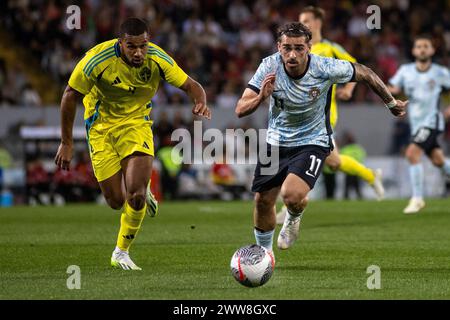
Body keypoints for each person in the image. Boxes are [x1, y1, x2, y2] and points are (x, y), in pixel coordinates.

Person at [235, 22, 407, 253]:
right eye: (287, 48)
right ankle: (264, 255)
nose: (292, 54)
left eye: (299, 48)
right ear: (279, 47)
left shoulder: (325, 67)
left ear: (309, 47)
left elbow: (365, 73)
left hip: (312, 141)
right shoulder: (268, 66)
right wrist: (260, 98)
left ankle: (294, 215)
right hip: (275, 143)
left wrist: (390, 103)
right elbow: (240, 108)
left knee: (291, 195)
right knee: (263, 200)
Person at [55, 18, 211, 270]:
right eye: (132, 46)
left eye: (143, 46)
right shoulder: (97, 60)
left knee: (135, 196)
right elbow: (70, 96)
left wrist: (200, 101)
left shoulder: (158, 58)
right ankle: (138, 185)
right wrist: (67, 142)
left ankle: (121, 251)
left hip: (137, 123)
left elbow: (192, 85)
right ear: (121, 43)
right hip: (101, 128)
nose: (139, 52)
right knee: (116, 201)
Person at [276, 6, 385, 223]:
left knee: (297, 153)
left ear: (318, 22)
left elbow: (356, 68)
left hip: (323, 114)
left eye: (306, 19)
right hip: (297, 112)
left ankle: (288, 206)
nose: (303, 23)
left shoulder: (330, 48)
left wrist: (349, 88)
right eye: (300, 19)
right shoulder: (292, 49)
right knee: (333, 162)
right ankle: (371, 175)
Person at [388, 36, 450, 214]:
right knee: (438, 160)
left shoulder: (440, 73)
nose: (422, 49)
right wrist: (382, 88)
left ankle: (417, 198)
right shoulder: (406, 71)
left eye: (426, 46)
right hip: (416, 125)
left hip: (432, 122)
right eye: (419, 46)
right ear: (414, 51)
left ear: (432, 51)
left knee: (411, 153)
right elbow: (393, 87)